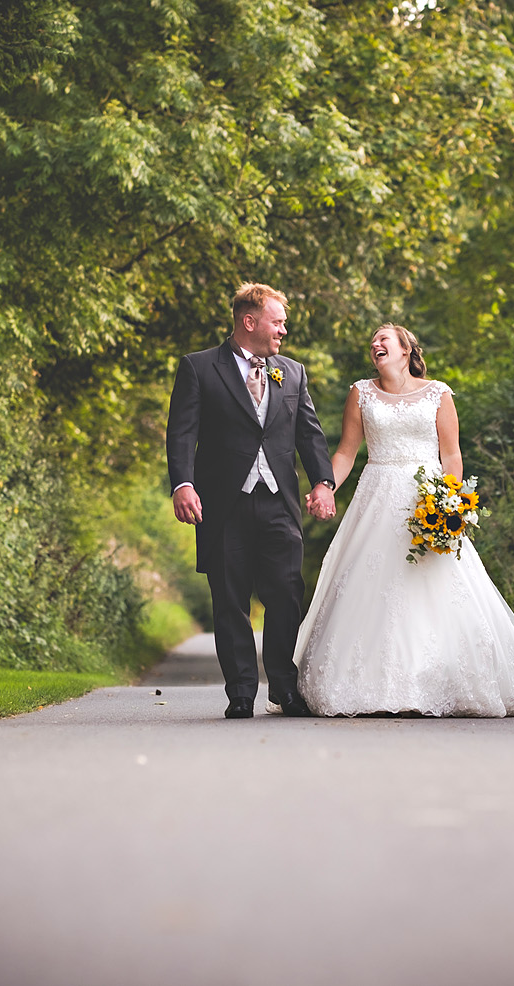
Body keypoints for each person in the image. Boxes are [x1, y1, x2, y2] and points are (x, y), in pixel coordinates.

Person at [292, 324, 514, 717]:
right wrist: (325, 488)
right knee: (373, 586)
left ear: (406, 350)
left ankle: (438, 680)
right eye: (373, 341)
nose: (375, 344)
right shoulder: (361, 393)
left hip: (426, 498)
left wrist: (448, 507)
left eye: (384, 339)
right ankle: (374, 684)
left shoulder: (438, 393)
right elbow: (346, 454)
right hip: (376, 497)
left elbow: (451, 457)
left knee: (433, 585)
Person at [167, 283, 337, 719]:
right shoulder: (200, 367)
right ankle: (240, 691)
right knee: (229, 598)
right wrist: (182, 484)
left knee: (286, 593)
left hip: (279, 500)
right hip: (223, 503)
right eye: (277, 321)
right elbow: (182, 432)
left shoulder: (292, 372)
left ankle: (283, 686)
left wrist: (323, 482)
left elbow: (309, 433)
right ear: (250, 321)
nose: (283, 329)